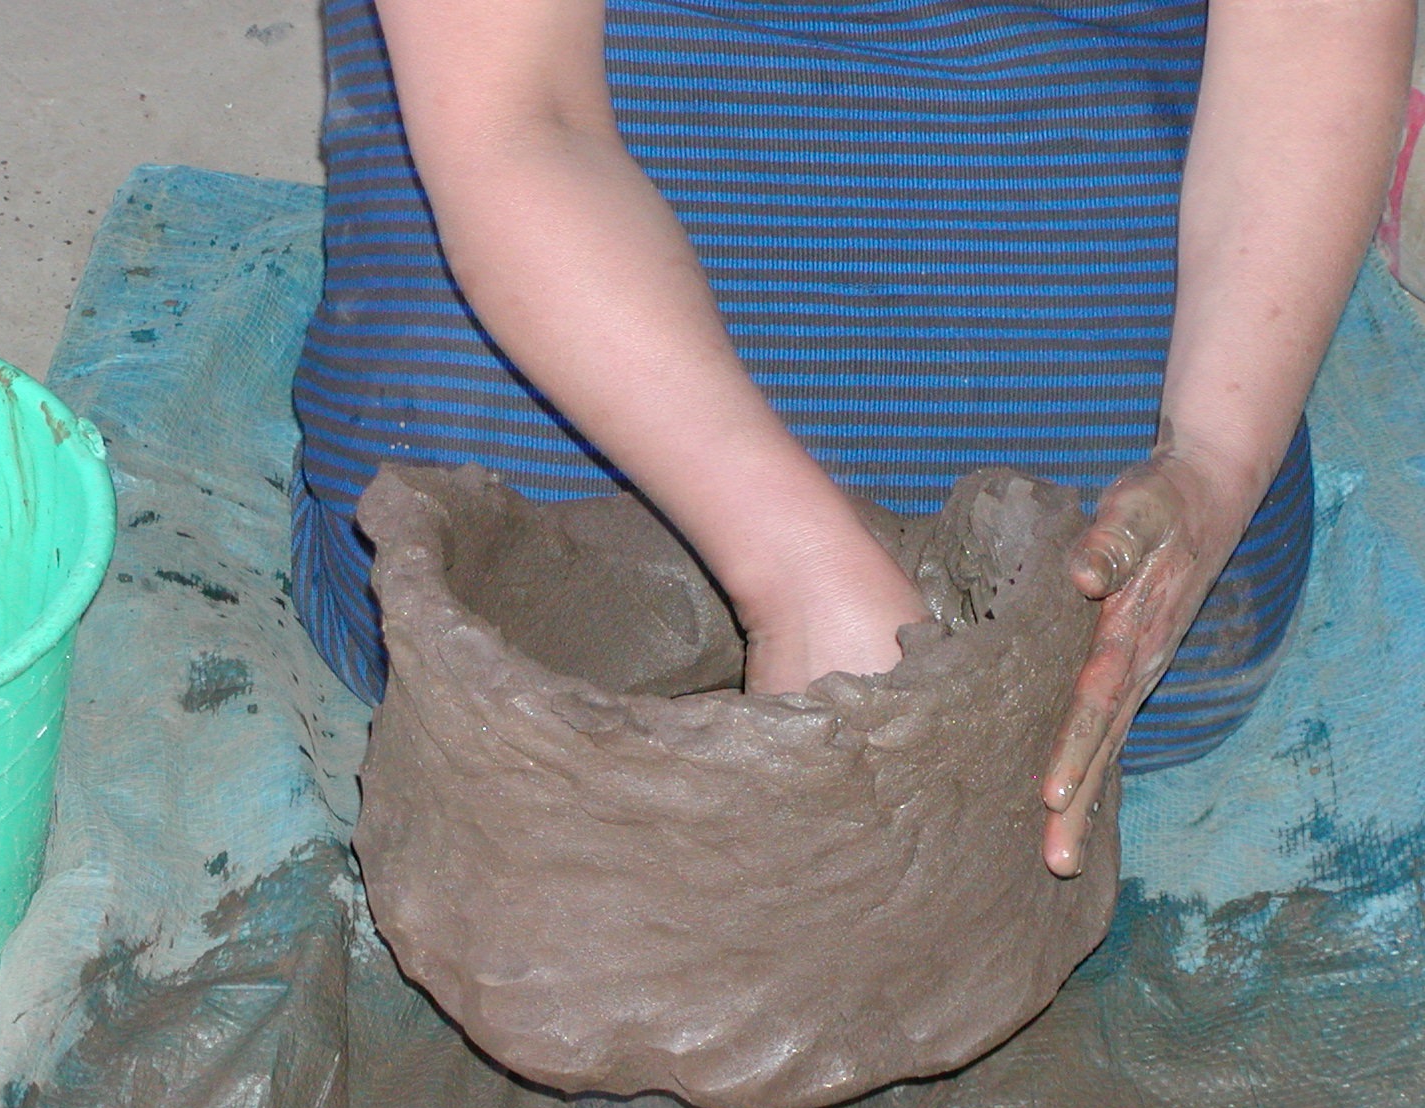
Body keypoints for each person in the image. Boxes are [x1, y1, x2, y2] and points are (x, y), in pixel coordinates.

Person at [292, 0, 1414, 880]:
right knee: (501, 596)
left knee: (1130, 632)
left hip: (1062, 47)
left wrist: (1210, 460)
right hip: (596, 68)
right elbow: (516, 114)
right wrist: (791, 567)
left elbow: (1311, 26)